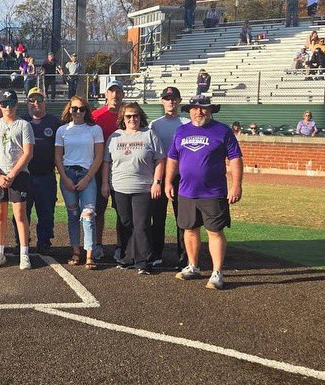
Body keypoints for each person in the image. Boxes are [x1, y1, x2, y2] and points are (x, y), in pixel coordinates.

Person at [167, 96, 243, 290]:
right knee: (189, 229)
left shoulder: (222, 131)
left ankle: (217, 272)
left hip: (213, 192)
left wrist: (236, 185)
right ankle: (193, 266)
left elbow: (235, 159)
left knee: (215, 231)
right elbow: (173, 159)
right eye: (195, 108)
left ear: (210, 110)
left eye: (203, 108)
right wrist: (167, 181)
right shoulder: (181, 131)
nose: (199, 112)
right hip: (186, 191)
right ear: (189, 110)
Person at [101, 101, 165, 275]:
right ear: (123, 118)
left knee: (142, 224)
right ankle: (127, 257)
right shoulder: (115, 136)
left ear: (140, 117)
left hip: (143, 188)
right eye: (128, 116)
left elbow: (160, 160)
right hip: (119, 187)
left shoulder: (149, 134)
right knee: (125, 223)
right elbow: (107, 161)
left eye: (135, 115)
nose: (132, 119)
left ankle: (143, 260)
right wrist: (105, 183)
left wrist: (157, 182)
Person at [0, 90, 35, 271]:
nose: (7, 107)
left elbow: (28, 153)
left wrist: (12, 174)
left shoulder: (24, 125)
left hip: (19, 175)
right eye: (4, 104)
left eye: (11, 103)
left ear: (16, 104)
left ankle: (24, 253)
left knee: (20, 216)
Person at [55, 96, 104, 269]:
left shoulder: (95, 129)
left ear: (86, 111)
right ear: (69, 109)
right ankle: (76, 251)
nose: (78, 112)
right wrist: (65, 178)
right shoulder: (62, 130)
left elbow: (99, 156)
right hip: (68, 173)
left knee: (89, 215)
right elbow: (58, 157)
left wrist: (87, 178)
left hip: (87, 174)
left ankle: (89, 254)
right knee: (73, 215)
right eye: (74, 108)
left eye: (81, 109)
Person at [17, 87, 60, 255]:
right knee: (21, 213)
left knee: (46, 213)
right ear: (27, 102)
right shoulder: (20, 122)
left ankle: (44, 242)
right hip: (24, 176)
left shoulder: (54, 123)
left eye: (39, 99)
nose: (36, 103)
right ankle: (21, 242)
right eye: (32, 100)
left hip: (46, 176)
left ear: (45, 101)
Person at [149, 87, 189, 269]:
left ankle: (184, 256)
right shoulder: (155, 125)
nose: (170, 102)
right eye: (167, 98)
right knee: (157, 218)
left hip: (182, 177)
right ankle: (156, 253)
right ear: (162, 101)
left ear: (179, 101)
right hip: (161, 176)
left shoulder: (186, 123)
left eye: (173, 98)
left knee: (183, 218)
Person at [91, 80, 124, 261]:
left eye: (118, 92)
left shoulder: (127, 115)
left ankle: (120, 246)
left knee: (122, 210)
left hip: (121, 170)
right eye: (111, 92)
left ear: (122, 95)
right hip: (98, 170)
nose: (115, 95)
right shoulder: (96, 116)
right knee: (98, 209)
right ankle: (97, 244)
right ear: (106, 95)